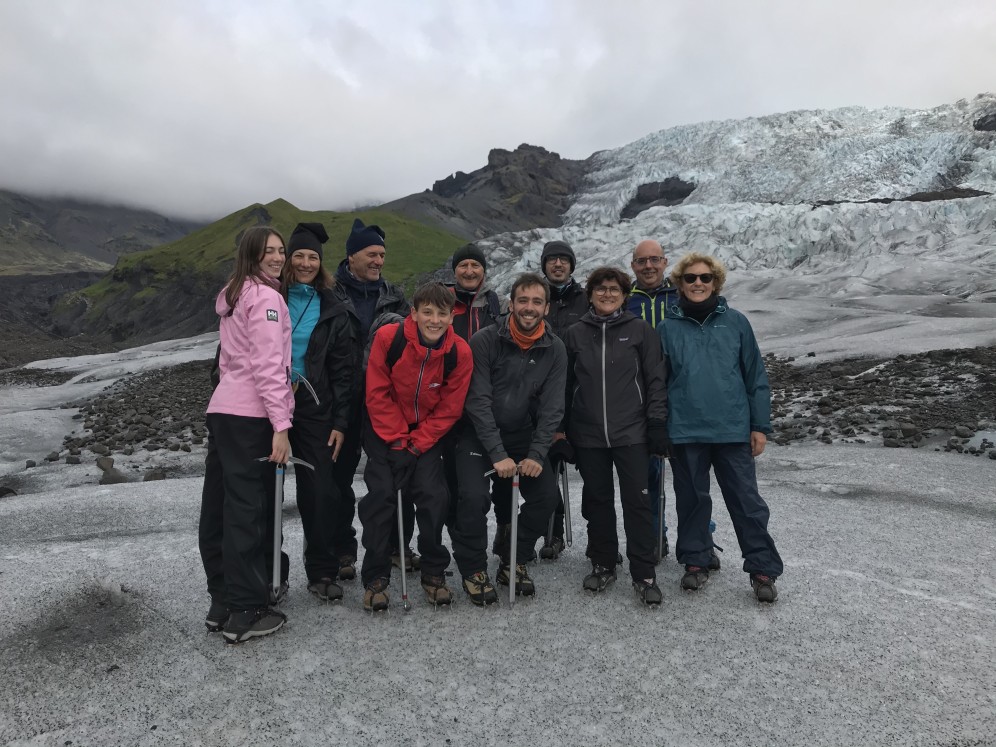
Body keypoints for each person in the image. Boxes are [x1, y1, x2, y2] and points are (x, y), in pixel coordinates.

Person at [658, 253, 783, 603]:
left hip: (732, 430)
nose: (698, 283)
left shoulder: (737, 323)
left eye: (705, 278)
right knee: (693, 501)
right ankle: (696, 561)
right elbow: (659, 383)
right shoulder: (667, 328)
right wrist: (659, 427)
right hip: (685, 429)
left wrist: (760, 426)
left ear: (716, 282)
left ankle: (762, 568)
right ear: (679, 283)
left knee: (746, 501)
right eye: (690, 278)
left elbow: (755, 377)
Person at [199, 225, 294, 643]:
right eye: (268, 251)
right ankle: (245, 610)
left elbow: (228, 363)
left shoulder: (234, 296)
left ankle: (221, 602)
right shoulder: (268, 298)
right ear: (251, 255)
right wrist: (281, 425)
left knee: (219, 507)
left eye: (280, 250)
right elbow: (268, 366)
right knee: (248, 510)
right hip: (251, 416)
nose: (277, 257)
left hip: (223, 409)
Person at [452, 273, 566, 603]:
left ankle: (513, 558)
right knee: (473, 499)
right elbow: (478, 400)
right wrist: (497, 453)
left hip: (522, 435)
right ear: (511, 304)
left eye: (537, 302)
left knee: (546, 497)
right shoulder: (486, 341)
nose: (529, 308)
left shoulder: (554, 348)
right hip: (477, 434)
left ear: (546, 307)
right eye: (523, 300)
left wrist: (536, 452)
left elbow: (552, 406)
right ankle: (473, 569)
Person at [358, 282, 473, 610]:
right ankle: (376, 575)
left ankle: (434, 570)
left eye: (441, 313)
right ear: (414, 313)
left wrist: (416, 444)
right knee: (381, 499)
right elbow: (376, 392)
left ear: (452, 316)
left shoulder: (459, 352)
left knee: (434, 497)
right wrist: (396, 440)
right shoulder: (388, 339)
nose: (434, 320)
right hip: (383, 433)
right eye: (427, 312)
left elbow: (450, 407)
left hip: (425, 436)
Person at [563, 266, 668, 605]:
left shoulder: (640, 331)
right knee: (597, 502)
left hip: (632, 432)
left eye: (614, 289)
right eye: (600, 289)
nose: (607, 294)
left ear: (625, 295)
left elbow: (655, 380)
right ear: (590, 294)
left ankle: (644, 571)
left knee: (637, 502)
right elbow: (564, 387)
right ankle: (603, 562)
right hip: (589, 433)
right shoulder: (575, 333)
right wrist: (563, 430)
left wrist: (656, 423)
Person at [330, 218, 409, 581]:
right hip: (339, 403)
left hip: (383, 404)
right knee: (337, 479)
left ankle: (395, 546)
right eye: (372, 254)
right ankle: (341, 549)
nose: (379, 261)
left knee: (390, 480)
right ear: (352, 255)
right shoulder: (328, 293)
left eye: (382, 254)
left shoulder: (395, 296)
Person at [280, 222, 354, 603]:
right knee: (262, 490)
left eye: (313, 257)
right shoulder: (266, 296)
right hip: (266, 401)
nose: (306, 262)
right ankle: (268, 571)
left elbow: (343, 370)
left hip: (314, 404)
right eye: (299, 255)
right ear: (287, 260)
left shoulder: (331, 305)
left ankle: (321, 569)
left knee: (320, 489)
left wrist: (341, 421)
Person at [624, 239, 683, 564]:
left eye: (654, 260)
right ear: (633, 266)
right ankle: (653, 536)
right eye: (641, 261)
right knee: (648, 477)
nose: (648, 266)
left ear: (665, 262)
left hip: (682, 397)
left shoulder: (682, 295)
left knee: (690, 476)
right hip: (639, 400)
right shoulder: (625, 301)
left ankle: (700, 538)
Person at [538, 239, 588, 559]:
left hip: (582, 396)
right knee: (545, 472)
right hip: (541, 399)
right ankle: (552, 533)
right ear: (544, 265)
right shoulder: (534, 297)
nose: (558, 264)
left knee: (594, 473)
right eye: (552, 259)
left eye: (563, 260)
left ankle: (600, 536)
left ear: (572, 265)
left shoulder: (587, 300)